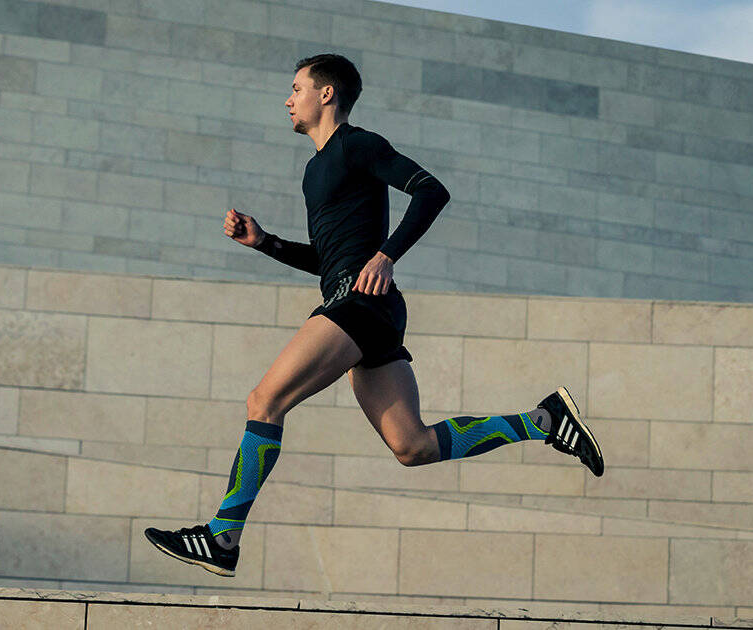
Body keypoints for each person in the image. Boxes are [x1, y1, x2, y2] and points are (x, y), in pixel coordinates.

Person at [145, 53, 604, 578]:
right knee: (413, 446)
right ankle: (543, 420)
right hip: (363, 304)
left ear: (326, 94)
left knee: (264, 400)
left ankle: (223, 537)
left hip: (359, 304)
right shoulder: (315, 170)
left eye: (296, 88)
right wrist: (265, 242)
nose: (287, 99)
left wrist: (388, 255)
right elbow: (329, 257)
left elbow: (432, 190)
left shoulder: (358, 144)